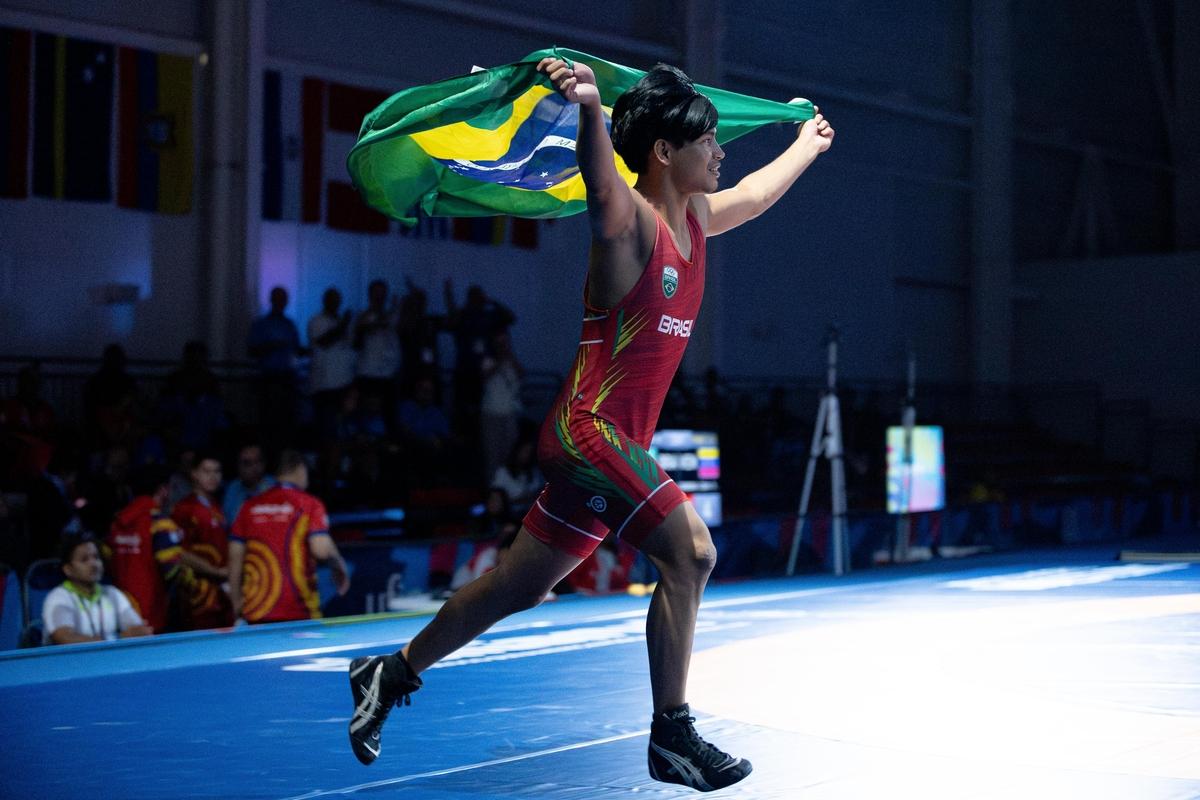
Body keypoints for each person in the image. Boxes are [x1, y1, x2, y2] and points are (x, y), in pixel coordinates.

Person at [345, 57, 834, 792]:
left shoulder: (697, 221)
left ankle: (391, 672)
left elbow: (756, 196)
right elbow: (601, 178)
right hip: (586, 432)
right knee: (691, 554)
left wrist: (808, 142)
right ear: (665, 152)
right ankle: (672, 734)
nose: (721, 151)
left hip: (610, 448)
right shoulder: (628, 225)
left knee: (518, 587)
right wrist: (585, 108)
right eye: (707, 139)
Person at [228, 450, 349, 623]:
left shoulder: (249, 506)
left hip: (257, 608)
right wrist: (338, 563)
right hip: (299, 610)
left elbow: (234, 558)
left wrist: (235, 601)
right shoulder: (309, 504)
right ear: (300, 469)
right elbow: (321, 549)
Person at [42, 534, 153, 645]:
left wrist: (137, 633)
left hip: (109, 660)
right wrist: (118, 638)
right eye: (84, 559)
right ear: (68, 569)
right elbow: (64, 638)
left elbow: (140, 631)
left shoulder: (112, 593)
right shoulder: (58, 597)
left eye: (96, 557)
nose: (94, 564)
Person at [171, 451, 233, 630]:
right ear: (194, 474)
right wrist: (216, 572)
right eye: (206, 471)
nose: (213, 477)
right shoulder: (184, 509)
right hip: (197, 595)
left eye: (217, 471)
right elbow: (179, 553)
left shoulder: (217, 506)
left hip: (222, 593)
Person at [248, 286, 302, 447]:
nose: (281, 302)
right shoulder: (261, 324)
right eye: (278, 299)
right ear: (271, 300)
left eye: (283, 299)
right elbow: (251, 350)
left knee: (286, 423)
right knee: (268, 422)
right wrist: (271, 346)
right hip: (269, 379)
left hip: (287, 379)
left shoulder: (289, 325)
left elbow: (296, 350)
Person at [308, 287, 357, 438]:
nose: (335, 302)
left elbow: (351, 348)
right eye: (332, 299)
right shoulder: (317, 321)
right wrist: (344, 324)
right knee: (326, 433)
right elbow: (324, 341)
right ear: (325, 301)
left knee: (344, 433)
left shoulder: (342, 322)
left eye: (337, 299)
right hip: (325, 387)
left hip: (344, 384)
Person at [354, 279, 401, 420]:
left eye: (383, 293)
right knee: (366, 417)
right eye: (377, 293)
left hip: (388, 375)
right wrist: (390, 311)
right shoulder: (362, 316)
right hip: (368, 374)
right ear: (370, 295)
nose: (380, 297)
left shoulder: (392, 316)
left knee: (389, 417)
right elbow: (358, 340)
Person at [222, 442, 275, 523]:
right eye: (247, 463)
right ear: (238, 466)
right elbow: (229, 521)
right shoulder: (232, 489)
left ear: (264, 463)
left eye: (258, 461)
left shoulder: (275, 486)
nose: (254, 467)